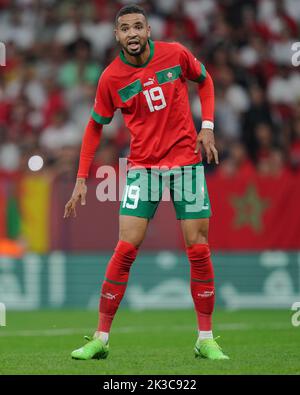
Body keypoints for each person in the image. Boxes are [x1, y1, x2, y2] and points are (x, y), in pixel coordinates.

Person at [64, 4, 229, 361]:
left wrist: (208, 127)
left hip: (186, 162)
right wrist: (81, 178)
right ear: (117, 35)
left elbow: (206, 81)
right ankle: (100, 338)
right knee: (125, 249)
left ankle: (205, 338)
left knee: (198, 249)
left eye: (139, 26)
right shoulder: (111, 78)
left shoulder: (175, 54)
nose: (133, 34)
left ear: (149, 30)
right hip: (143, 168)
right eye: (126, 28)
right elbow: (95, 125)